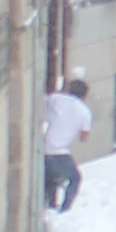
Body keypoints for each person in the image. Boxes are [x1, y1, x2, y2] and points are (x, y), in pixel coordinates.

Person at [43, 75, 92, 213]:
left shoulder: (55, 98)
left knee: (49, 181)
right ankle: (64, 210)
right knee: (75, 179)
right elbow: (84, 137)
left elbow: (43, 109)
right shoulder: (84, 111)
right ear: (84, 95)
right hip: (60, 153)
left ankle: (50, 207)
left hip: (44, 149)